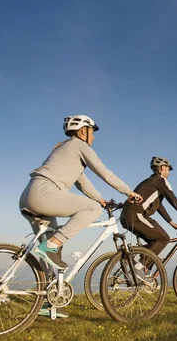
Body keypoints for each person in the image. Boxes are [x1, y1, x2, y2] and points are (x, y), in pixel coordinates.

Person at [19, 115, 142, 270]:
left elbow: (82, 183)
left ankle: (44, 290)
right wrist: (129, 193)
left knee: (48, 255)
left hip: (30, 194)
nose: (94, 137)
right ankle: (52, 245)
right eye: (92, 132)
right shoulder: (79, 145)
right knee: (92, 209)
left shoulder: (66, 150)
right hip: (45, 194)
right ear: (83, 131)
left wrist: (101, 200)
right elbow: (105, 173)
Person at [121, 156, 177, 268]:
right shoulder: (161, 181)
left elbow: (158, 206)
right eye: (168, 169)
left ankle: (129, 257)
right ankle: (139, 268)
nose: (169, 172)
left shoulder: (151, 182)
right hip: (136, 215)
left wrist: (172, 223)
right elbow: (174, 201)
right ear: (162, 168)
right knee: (164, 238)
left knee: (155, 242)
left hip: (127, 216)